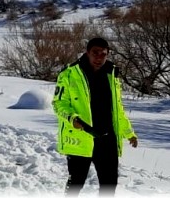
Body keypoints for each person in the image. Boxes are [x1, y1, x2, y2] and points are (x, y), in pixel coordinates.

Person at [53, 37, 139, 195]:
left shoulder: (111, 74)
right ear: (87, 53)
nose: (99, 57)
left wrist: (129, 133)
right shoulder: (70, 74)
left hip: (107, 138)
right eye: (95, 53)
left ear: (108, 54)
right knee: (76, 182)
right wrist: (72, 118)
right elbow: (59, 103)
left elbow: (117, 109)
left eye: (103, 54)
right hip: (82, 135)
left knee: (109, 184)